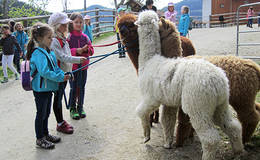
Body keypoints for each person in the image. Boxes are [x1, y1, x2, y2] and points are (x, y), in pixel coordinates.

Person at [26, 22, 71, 149]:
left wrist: (63, 74)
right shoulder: (38, 54)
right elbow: (44, 72)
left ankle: (45, 134)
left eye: (52, 37)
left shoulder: (49, 52)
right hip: (40, 89)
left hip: (48, 87)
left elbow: (55, 68)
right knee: (41, 113)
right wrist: (60, 77)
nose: (52, 40)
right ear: (40, 38)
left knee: (46, 113)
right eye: (49, 37)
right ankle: (39, 139)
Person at [49, 12, 88, 133]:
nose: (67, 26)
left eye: (67, 24)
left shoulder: (62, 39)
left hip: (64, 74)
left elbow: (67, 56)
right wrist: (78, 58)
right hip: (59, 75)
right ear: (57, 26)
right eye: (64, 24)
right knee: (58, 98)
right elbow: (63, 57)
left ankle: (61, 121)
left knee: (60, 97)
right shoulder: (55, 41)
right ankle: (60, 122)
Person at [68, 12, 94, 120]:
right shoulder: (69, 38)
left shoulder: (85, 37)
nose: (79, 24)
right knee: (74, 87)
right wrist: (77, 51)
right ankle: (72, 108)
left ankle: (80, 107)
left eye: (81, 22)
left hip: (83, 67)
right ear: (71, 23)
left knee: (82, 87)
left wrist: (87, 49)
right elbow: (65, 53)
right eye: (76, 22)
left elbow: (92, 51)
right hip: (73, 68)